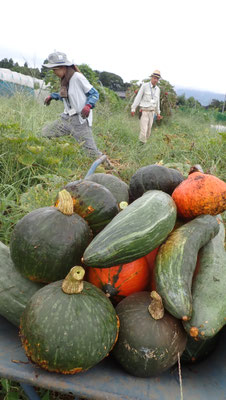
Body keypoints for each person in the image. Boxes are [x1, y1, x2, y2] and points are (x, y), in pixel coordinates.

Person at [42, 51, 103, 158]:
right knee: (44, 133)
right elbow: (67, 97)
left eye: (55, 69)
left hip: (80, 121)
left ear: (63, 67)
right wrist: (52, 96)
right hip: (66, 118)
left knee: (92, 153)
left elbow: (94, 93)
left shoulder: (77, 77)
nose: (54, 72)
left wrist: (88, 106)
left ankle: (110, 169)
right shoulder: (65, 80)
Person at [131, 70, 162, 144]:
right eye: (154, 78)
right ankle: (140, 147)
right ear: (151, 78)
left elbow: (157, 102)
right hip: (144, 111)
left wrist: (158, 113)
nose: (155, 80)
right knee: (143, 130)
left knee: (148, 131)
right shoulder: (145, 86)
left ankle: (143, 144)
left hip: (152, 112)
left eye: (157, 79)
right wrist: (133, 108)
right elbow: (138, 97)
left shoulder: (158, 89)